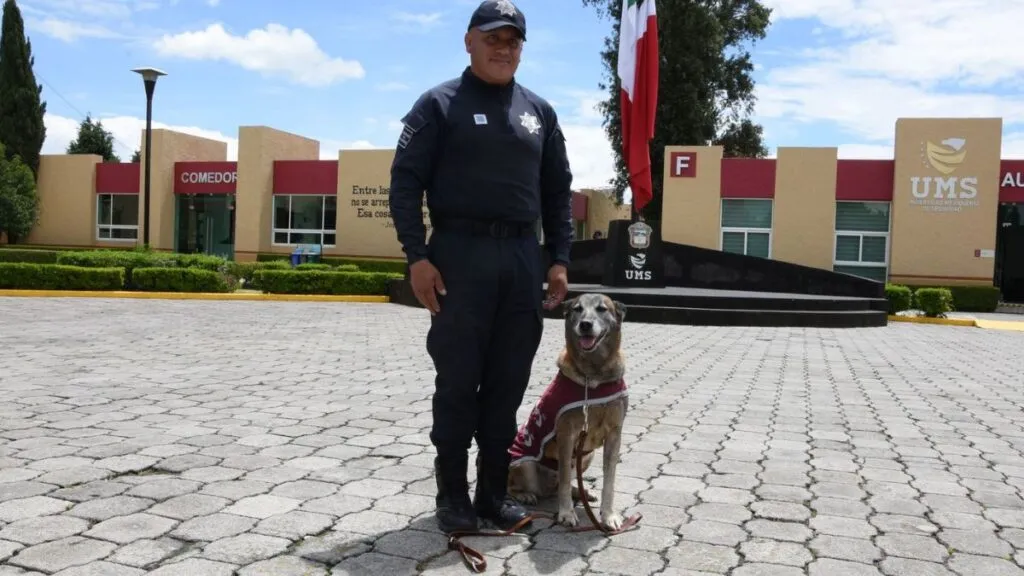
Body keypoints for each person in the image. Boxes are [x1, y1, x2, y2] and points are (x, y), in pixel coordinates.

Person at [388, 0, 574, 534]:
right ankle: (453, 497)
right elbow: (405, 183)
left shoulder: (540, 111)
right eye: (493, 37)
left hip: (520, 259)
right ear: (469, 41)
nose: (503, 48)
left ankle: (493, 494)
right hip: (458, 258)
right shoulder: (438, 104)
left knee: (507, 382)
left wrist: (559, 258)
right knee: (458, 381)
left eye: (512, 40)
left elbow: (557, 192)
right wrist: (416, 256)